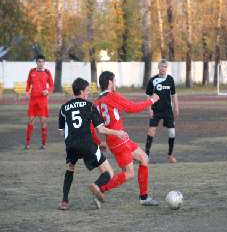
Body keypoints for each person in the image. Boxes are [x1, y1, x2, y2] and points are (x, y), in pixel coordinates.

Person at [91, 71, 160, 206]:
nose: (115, 83)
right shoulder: (111, 96)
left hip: (120, 139)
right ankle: (100, 189)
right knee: (129, 173)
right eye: (114, 81)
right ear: (109, 82)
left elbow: (91, 127)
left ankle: (144, 197)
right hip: (118, 140)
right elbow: (132, 108)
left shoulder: (96, 103)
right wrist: (152, 100)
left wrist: (99, 143)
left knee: (144, 158)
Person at [58, 77, 128, 210]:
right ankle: (97, 186)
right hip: (87, 144)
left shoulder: (64, 107)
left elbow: (62, 133)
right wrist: (117, 132)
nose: (88, 93)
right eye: (87, 90)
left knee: (71, 167)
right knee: (109, 172)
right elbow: (101, 129)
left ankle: (64, 202)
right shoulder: (90, 106)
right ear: (81, 91)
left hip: (71, 145)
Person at [145, 59, 179, 163]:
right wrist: (149, 108)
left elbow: (174, 95)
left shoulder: (170, 80)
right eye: (162, 66)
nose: (163, 69)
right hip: (156, 110)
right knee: (151, 131)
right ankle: (146, 155)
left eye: (165, 67)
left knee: (172, 133)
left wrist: (176, 106)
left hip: (168, 110)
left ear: (166, 68)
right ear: (158, 67)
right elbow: (148, 95)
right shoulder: (153, 80)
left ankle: (170, 154)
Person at [24, 54, 54, 150]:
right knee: (31, 120)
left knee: (42, 121)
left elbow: (52, 85)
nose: (41, 63)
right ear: (36, 62)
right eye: (39, 61)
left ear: (44, 62)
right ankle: (28, 144)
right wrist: (26, 92)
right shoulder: (32, 71)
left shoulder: (47, 72)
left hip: (42, 100)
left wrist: (47, 91)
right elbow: (28, 82)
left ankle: (44, 143)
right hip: (33, 99)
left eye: (42, 61)